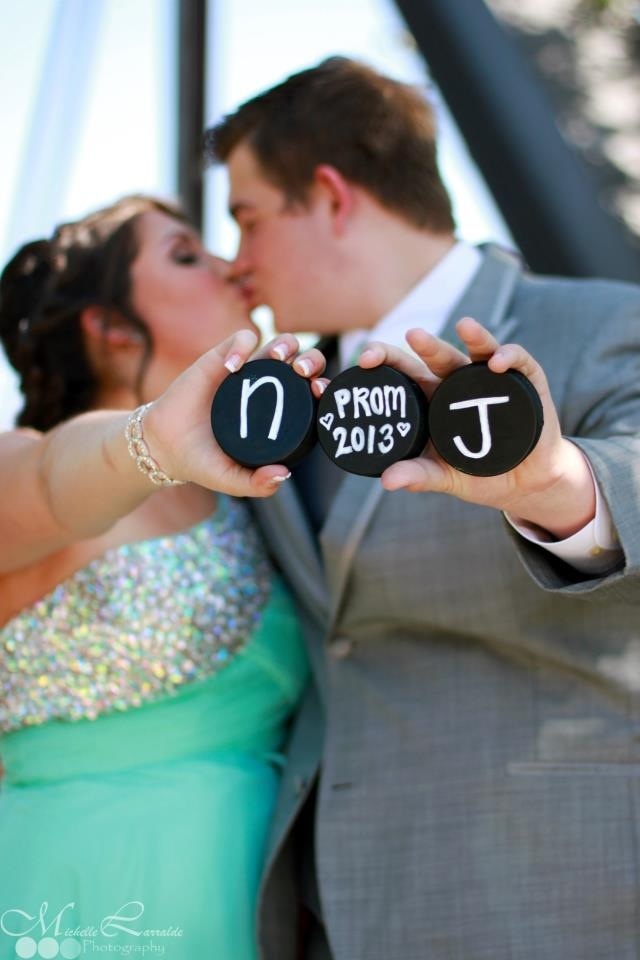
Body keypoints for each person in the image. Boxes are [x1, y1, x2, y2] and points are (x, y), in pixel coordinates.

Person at [206, 56, 640, 960]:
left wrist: (555, 485)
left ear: (330, 196)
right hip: (331, 910)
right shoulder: (274, 395)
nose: (236, 261)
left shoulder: (602, 325)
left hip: (552, 896)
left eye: (246, 218)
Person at [0, 194, 327, 960]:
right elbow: (54, 480)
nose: (231, 266)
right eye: (186, 255)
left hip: (261, 908)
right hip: (89, 896)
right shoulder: (39, 461)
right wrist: (147, 443)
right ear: (110, 328)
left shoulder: (249, 491)